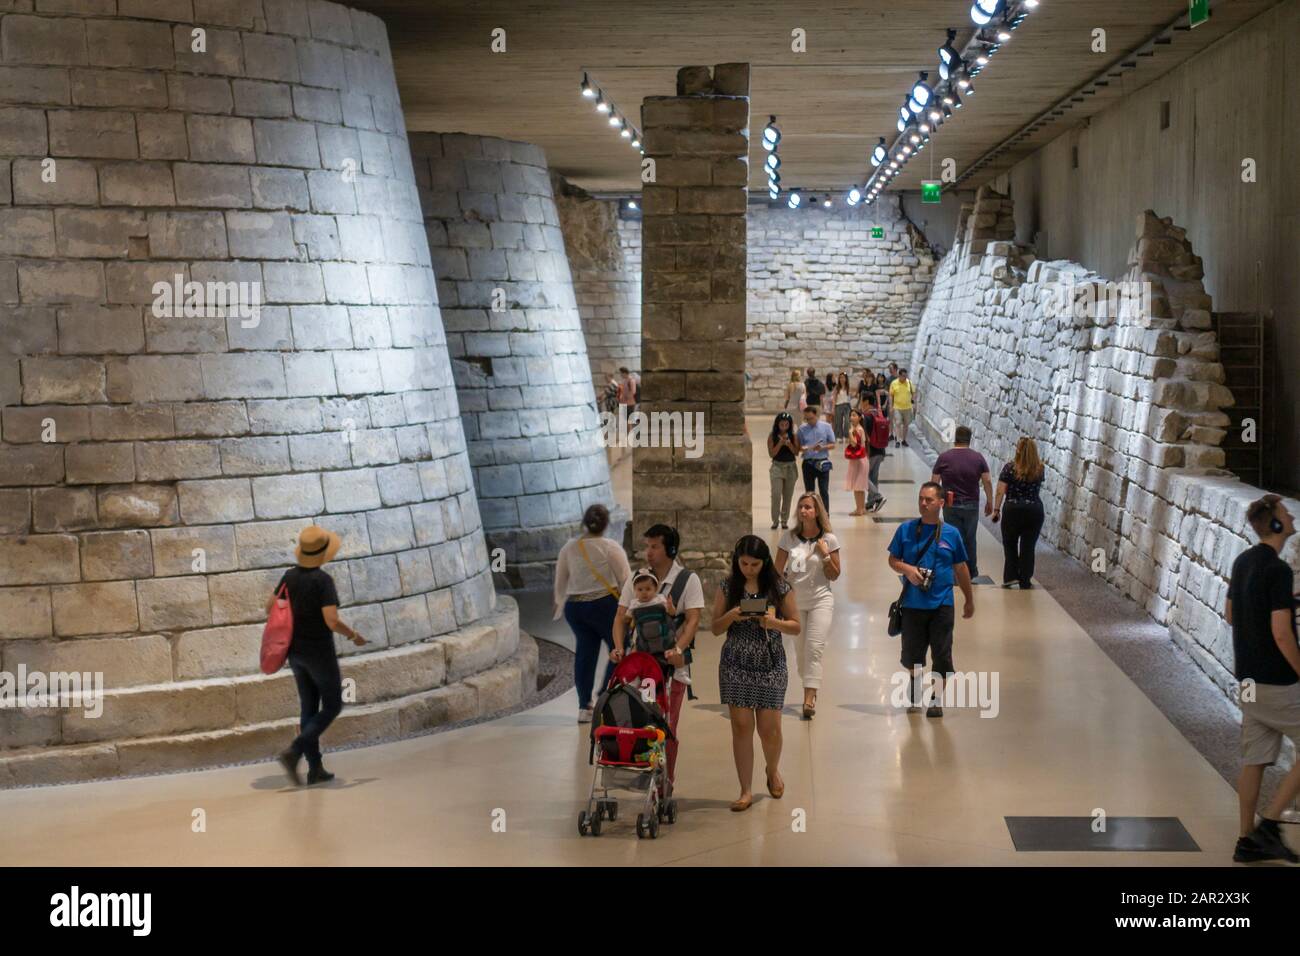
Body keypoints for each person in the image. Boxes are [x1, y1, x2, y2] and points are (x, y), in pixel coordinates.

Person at [1226, 495, 1300, 864]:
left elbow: (1230, 613)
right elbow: (1282, 634)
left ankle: (1245, 839)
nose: (1290, 517)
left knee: (1254, 761)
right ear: (1274, 525)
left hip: (1249, 681)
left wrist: (1285, 600)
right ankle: (1270, 826)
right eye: (1286, 514)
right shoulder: (1279, 570)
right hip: (1277, 682)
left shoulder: (1243, 562)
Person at [271, 525, 367, 786]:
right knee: (333, 704)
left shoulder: (289, 576)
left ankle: (315, 769)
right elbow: (331, 620)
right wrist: (353, 635)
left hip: (295, 653)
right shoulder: (323, 581)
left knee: (309, 708)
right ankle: (295, 750)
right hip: (319, 653)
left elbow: (271, 607)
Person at [611, 524, 704, 791]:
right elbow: (621, 617)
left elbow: (693, 619)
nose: (648, 552)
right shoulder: (637, 580)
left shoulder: (688, 580)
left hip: (673, 668)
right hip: (643, 668)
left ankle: (666, 781)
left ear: (670, 549)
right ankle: (645, 772)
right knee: (645, 720)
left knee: (668, 725)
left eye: (654, 547)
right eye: (647, 546)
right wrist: (619, 647)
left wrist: (679, 648)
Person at [712, 534, 801, 811]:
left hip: (770, 662)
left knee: (769, 729)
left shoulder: (779, 588)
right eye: (743, 563)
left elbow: (796, 626)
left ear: (765, 563)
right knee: (740, 727)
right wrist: (732, 616)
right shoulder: (728, 586)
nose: (748, 569)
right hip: (735, 662)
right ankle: (745, 790)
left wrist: (773, 622)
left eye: (754, 564)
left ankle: (772, 769)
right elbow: (715, 627)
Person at [886, 482, 975, 717]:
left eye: (929, 500)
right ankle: (915, 693)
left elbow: (961, 567)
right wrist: (906, 569)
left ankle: (936, 700)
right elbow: (893, 559)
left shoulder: (951, 534)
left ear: (941, 503)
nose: (923, 504)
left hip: (942, 604)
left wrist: (969, 598)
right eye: (921, 499)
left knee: (942, 656)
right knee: (913, 657)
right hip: (913, 605)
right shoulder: (906, 530)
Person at [554, 504, 631, 722]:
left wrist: (559, 603)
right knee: (619, 647)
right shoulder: (610, 547)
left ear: (585, 523)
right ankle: (604, 695)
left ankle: (584, 706)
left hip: (576, 608)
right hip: (605, 606)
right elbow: (625, 580)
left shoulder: (569, 548)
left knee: (585, 654)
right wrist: (630, 609)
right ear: (606, 524)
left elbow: (561, 579)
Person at [776, 494, 840, 718]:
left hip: (821, 600)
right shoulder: (788, 538)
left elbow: (834, 574)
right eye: (801, 507)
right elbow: (776, 573)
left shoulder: (829, 540)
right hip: (794, 604)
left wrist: (824, 557)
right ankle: (809, 682)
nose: (804, 511)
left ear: (817, 512)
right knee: (801, 652)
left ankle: (809, 698)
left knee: (814, 649)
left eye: (808, 507)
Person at [932, 425, 992, 580]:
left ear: (955, 438)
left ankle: (953, 572)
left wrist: (935, 504)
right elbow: (987, 480)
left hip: (950, 504)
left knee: (952, 537)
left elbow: (934, 482)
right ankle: (971, 571)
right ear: (969, 440)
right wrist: (990, 502)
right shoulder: (978, 458)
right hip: (971, 504)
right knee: (970, 538)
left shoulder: (944, 457)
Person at [992, 436, 1046, 589]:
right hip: (1034, 510)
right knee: (1028, 546)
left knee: (1010, 543)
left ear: (1018, 450)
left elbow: (1000, 491)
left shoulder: (1009, 468)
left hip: (1012, 510)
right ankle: (1025, 580)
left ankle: (1010, 577)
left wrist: (996, 510)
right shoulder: (1040, 469)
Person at [797, 404, 835, 514]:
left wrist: (822, 447)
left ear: (816, 415)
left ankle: (825, 515)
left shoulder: (826, 427)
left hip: (822, 462)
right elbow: (798, 447)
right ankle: (811, 514)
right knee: (809, 492)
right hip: (808, 463)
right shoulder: (802, 429)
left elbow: (832, 444)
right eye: (806, 419)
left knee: (824, 491)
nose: (809, 421)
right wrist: (802, 449)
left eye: (811, 418)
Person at [767, 412, 801, 530]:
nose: (784, 426)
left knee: (788, 495)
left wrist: (789, 444)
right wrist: (780, 443)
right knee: (776, 495)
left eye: (786, 424)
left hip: (790, 467)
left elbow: (796, 452)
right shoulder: (772, 436)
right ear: (777, 424)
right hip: (777, 467)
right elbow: (772, 453)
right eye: (782, 424)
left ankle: (784, 520)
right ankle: (775, 520)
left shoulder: (793, 436)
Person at [865, 394, 889, 513]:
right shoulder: (880, 414)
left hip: (871, 451)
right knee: (873, 477)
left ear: (865, 402)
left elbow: (866, 437)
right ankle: (870, 503)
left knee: (863, 477)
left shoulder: (866, 416)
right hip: (880, 450)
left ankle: (878, 496)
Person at [844, 408, 870, 516]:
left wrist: (850, 433)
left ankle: (859, 509)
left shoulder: (857, 430)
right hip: (860, 459)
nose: (852, 417)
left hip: (859, 460)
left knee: (857, 486)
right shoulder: (858, 428)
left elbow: (855, 444)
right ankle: (861, 508)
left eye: (854, 415)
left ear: (859, 418)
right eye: (851, 415)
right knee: (859, 486)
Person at [888, 368, 916, 448]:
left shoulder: (909, 382)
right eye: (903, 376)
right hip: (897, 407)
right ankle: (897, 440)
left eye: (906, 376)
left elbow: (913, 392)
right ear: (899, 375)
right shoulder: (894, 383)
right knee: (897, 423)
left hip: (907, 407)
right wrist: (891, 406)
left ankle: (904, 440)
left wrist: (913, 401)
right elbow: (890, 395)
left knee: (906, 424)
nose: (905, 377)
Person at [833, 372, 853, 439]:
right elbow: (834, 398)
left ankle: (847, 435)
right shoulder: (837, 387)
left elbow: (850, 397)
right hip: (838, 405)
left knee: (847, 421)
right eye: (840, 377)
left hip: (847, 406)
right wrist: (833, 408)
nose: (842, 379)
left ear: (846, 378)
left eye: (843, 377)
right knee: (838, 422)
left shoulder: (848, 387)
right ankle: (839, 436)